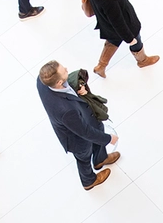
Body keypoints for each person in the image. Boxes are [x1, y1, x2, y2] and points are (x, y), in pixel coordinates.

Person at [37, 61, 120, 190]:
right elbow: (85, 132)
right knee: (84, 157)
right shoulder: (66, 111)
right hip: (76, 138)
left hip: (84, 117)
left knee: (97, 129)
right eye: (64, 71)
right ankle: (89, 181)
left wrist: (76, 90)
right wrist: (108, 139)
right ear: (59, 83)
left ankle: (100, 159)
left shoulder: (41, 81)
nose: (66, 68)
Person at [88, 0, 158, 79]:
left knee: (112, 41)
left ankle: (101, 66)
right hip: (127, 25)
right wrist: (129, 39)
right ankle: (143, 60)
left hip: (107, 24)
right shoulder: (109, 0)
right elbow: (118, 23)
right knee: (136, 41)